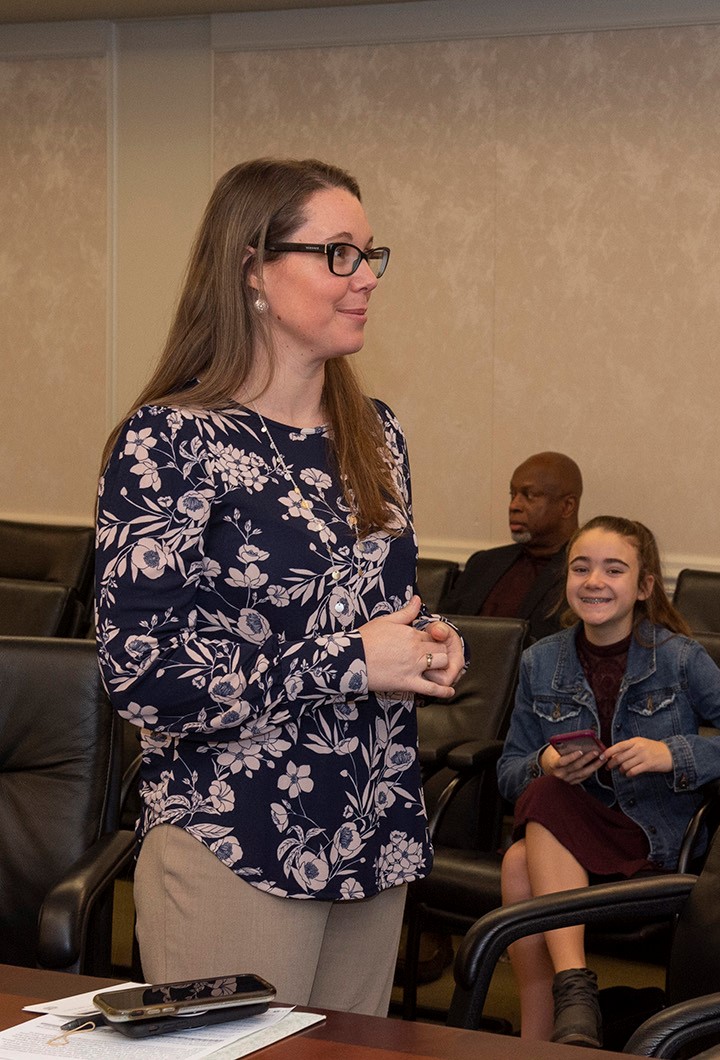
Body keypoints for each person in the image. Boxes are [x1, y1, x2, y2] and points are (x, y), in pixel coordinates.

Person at [94, 158, 467, 1015]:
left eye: (371, 255)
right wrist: (349, 661)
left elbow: (361, 612)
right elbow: (142, 676)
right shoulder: (169, 442)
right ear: (251, 269)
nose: (364, 278)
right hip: (236, 837)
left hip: (373, 826)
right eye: (337, 254)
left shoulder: (376, 434)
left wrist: (428, 643)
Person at [497, 515, 720, 1047]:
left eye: (613, 570)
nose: (594, 581)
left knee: (520, 858)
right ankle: (556, 1026)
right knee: (535, 817)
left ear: (644, 587)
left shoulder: (680, 658)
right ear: (566, 581)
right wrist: (544, 763)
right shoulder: (539, 661)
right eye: (581, 568)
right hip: (572, 834)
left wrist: (674, 753)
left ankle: (554, 1018)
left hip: (654, 836)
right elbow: (509, 772)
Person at [438, 451, 582, 642]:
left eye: (529, 495)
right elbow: (440, 628)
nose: (514, 505)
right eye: (512, 494)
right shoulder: (483, 563)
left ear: (567, 506)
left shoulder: (581, 574)